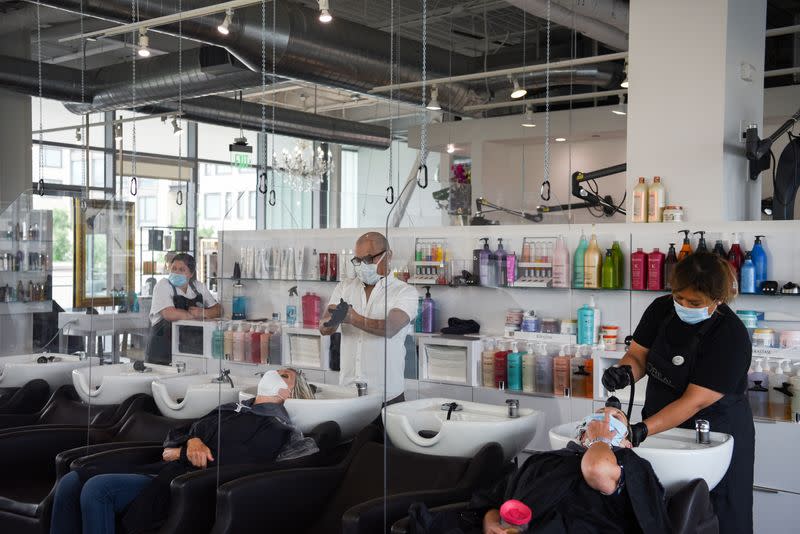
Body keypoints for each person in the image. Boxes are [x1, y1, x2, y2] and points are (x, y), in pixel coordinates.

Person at [50, 368, 317, 534]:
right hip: (164, 469)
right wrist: (191, 442)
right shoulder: (233, 408)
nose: (273, 373)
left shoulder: (274, 426)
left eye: (283, 375)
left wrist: (182, 451)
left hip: (184, 484)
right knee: (71, 481)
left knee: (98, 490)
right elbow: (182, 432)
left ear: (290, 392)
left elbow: (236, 460)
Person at [601, 251, 754, 534]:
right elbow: (637, 356)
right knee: (660, 508)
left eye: (694, 302)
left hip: (713, 432)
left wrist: (642, 430)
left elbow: (694, 402)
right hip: (659, 424)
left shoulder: (730, 336)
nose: (684, 305)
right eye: (679, 297)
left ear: (717, 300)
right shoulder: (661, 310)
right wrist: (624, 371)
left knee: (717, 514)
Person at [319, 232, 418, 404]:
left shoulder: (404, 292)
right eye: (358, 260)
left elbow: (390, 328)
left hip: (386, 395)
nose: (362, 266)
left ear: (388, 255)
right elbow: (324, 328)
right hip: (348, 392)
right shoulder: (345, 287)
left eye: (368, 259)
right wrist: (333, 321)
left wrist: (352, 317)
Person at [146, 253, 221, 365]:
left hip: (189, 353)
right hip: (161, 355)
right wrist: (196, 315)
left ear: (191, 274)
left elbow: (218, 310)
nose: (176, 272)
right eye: (174, 268)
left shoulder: (198, 287)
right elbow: (169, 314)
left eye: (181, 269)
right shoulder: (163, 285)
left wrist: (202, 312)